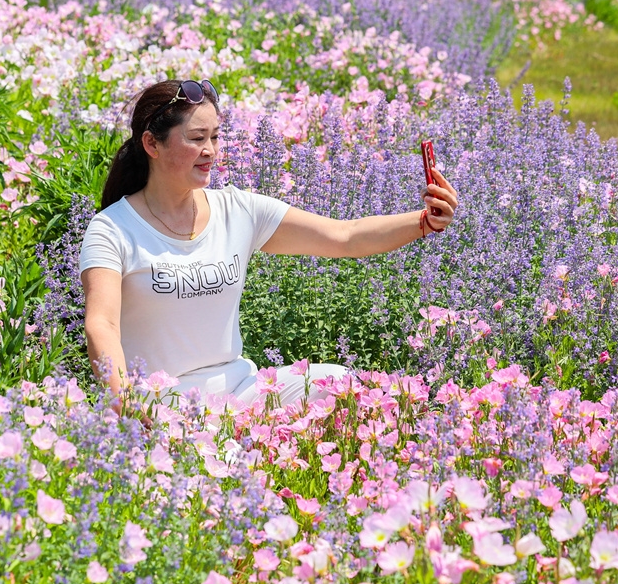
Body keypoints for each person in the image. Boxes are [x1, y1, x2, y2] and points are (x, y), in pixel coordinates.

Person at [78, 78, 459, 412]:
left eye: (215, 137)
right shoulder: (113, 229)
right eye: (196, 138)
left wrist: (424, 221)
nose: (210, 150)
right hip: (162, 402)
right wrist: (124, 401)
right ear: (151, 143)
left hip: (239, 391)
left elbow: (345, 236)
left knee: (341, 384)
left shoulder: (237, 210)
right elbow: (102, 324)